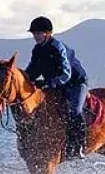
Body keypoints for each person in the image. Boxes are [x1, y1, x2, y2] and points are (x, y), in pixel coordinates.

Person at [24, 16, 89, 160]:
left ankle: (78, 146)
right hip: (56, 85)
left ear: (48, 33)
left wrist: (49, 83)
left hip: (76, 84)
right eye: (34, 34)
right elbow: (32, 71)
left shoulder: (58, 47)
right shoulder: (37, 50)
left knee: (75, 110)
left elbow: (66, 74)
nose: (36, 36)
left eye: (38, 33)